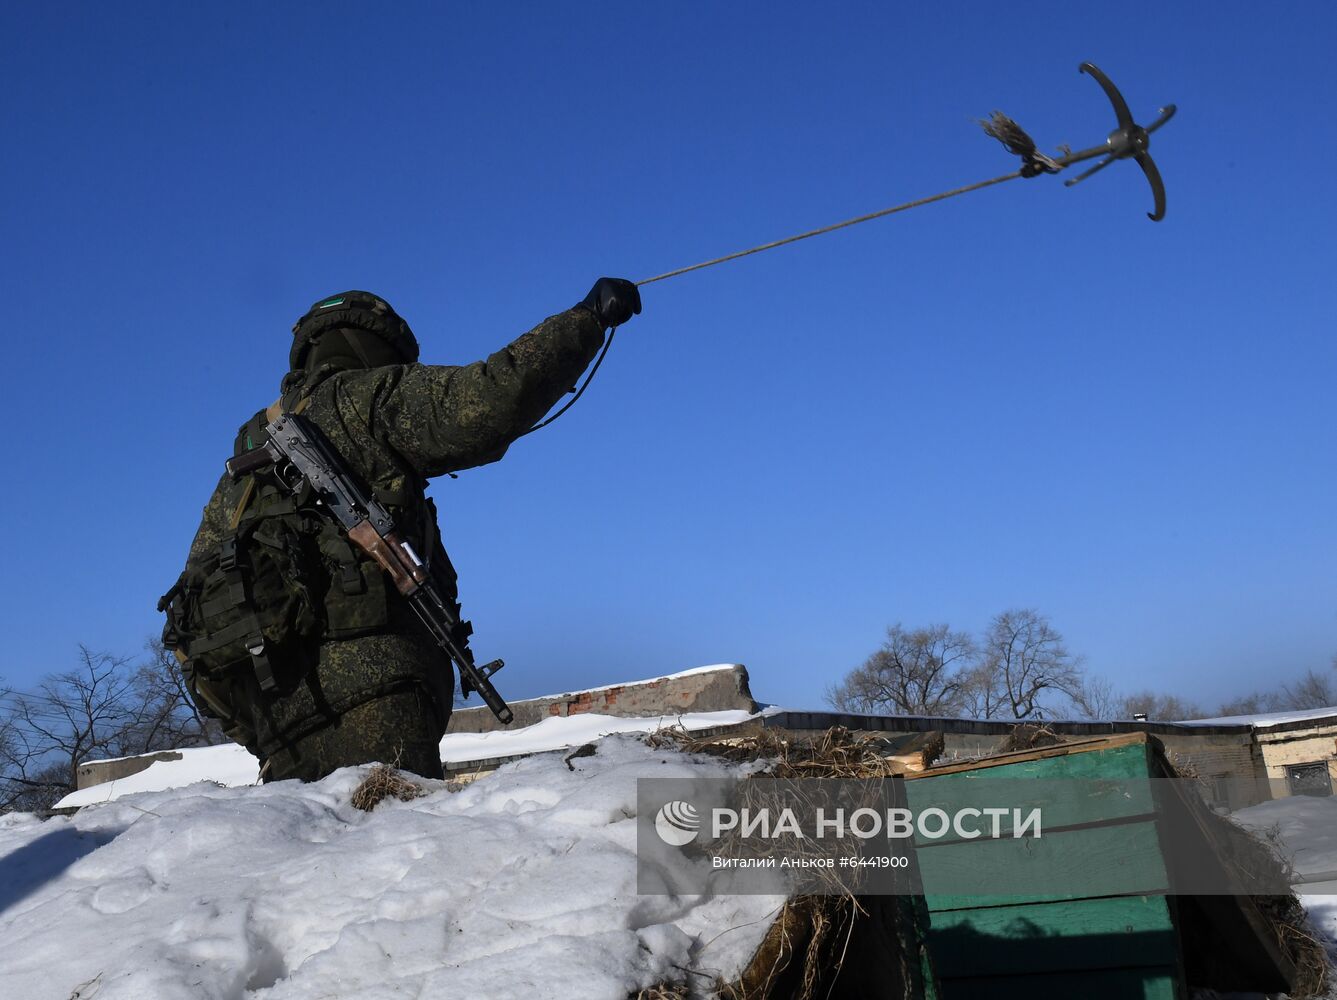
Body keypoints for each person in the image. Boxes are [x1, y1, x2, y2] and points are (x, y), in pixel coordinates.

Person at [164, 279, 641, 782]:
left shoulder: (246, 455)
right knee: (395, 855)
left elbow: (195, 609)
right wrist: (587, 319)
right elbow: (487, 400)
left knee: (306, 858)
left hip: (280, 719)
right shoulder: (360, 399)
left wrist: (254, 720)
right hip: (378, 701)